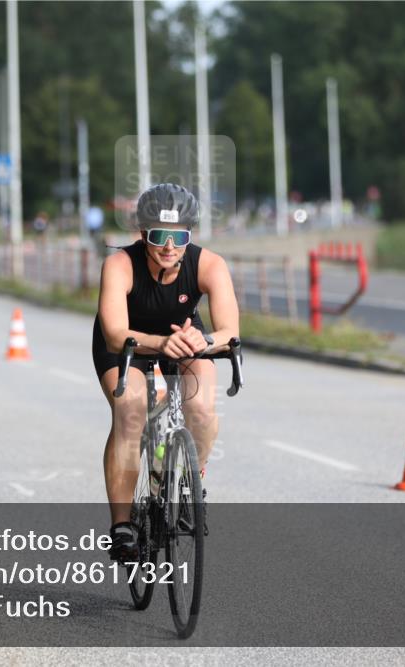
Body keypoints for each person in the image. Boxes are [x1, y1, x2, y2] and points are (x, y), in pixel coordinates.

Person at [93, 183, 239, 562]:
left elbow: (229, 332)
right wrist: (158, 344)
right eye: (159, 236)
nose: (170, 246)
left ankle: (193, 479)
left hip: (184, 339)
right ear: (143, 235)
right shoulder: (120, 265)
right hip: (127, 344)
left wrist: (201, 340)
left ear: (190, 236)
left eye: (180, 236)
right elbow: (113, 333)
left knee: (204, 408)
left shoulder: (209, 264)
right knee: (130, 412)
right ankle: (122, 526)